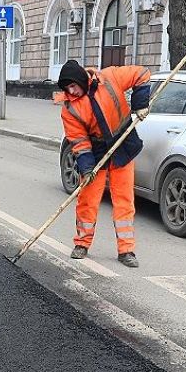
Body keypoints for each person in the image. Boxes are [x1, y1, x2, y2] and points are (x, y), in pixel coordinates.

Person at [57, 59, 151, 268]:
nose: (71, 91)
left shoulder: (110, 78)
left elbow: (142, 74)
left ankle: (126, 250)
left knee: (124, 200)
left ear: (81, 79)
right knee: (87, 200)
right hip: (96, 150)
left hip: (122, 143)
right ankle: (82, 243)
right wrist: (87, 167)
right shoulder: (70, 108)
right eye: (67, 89)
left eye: (72, 86)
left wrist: (140, 105)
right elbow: (79, 141)